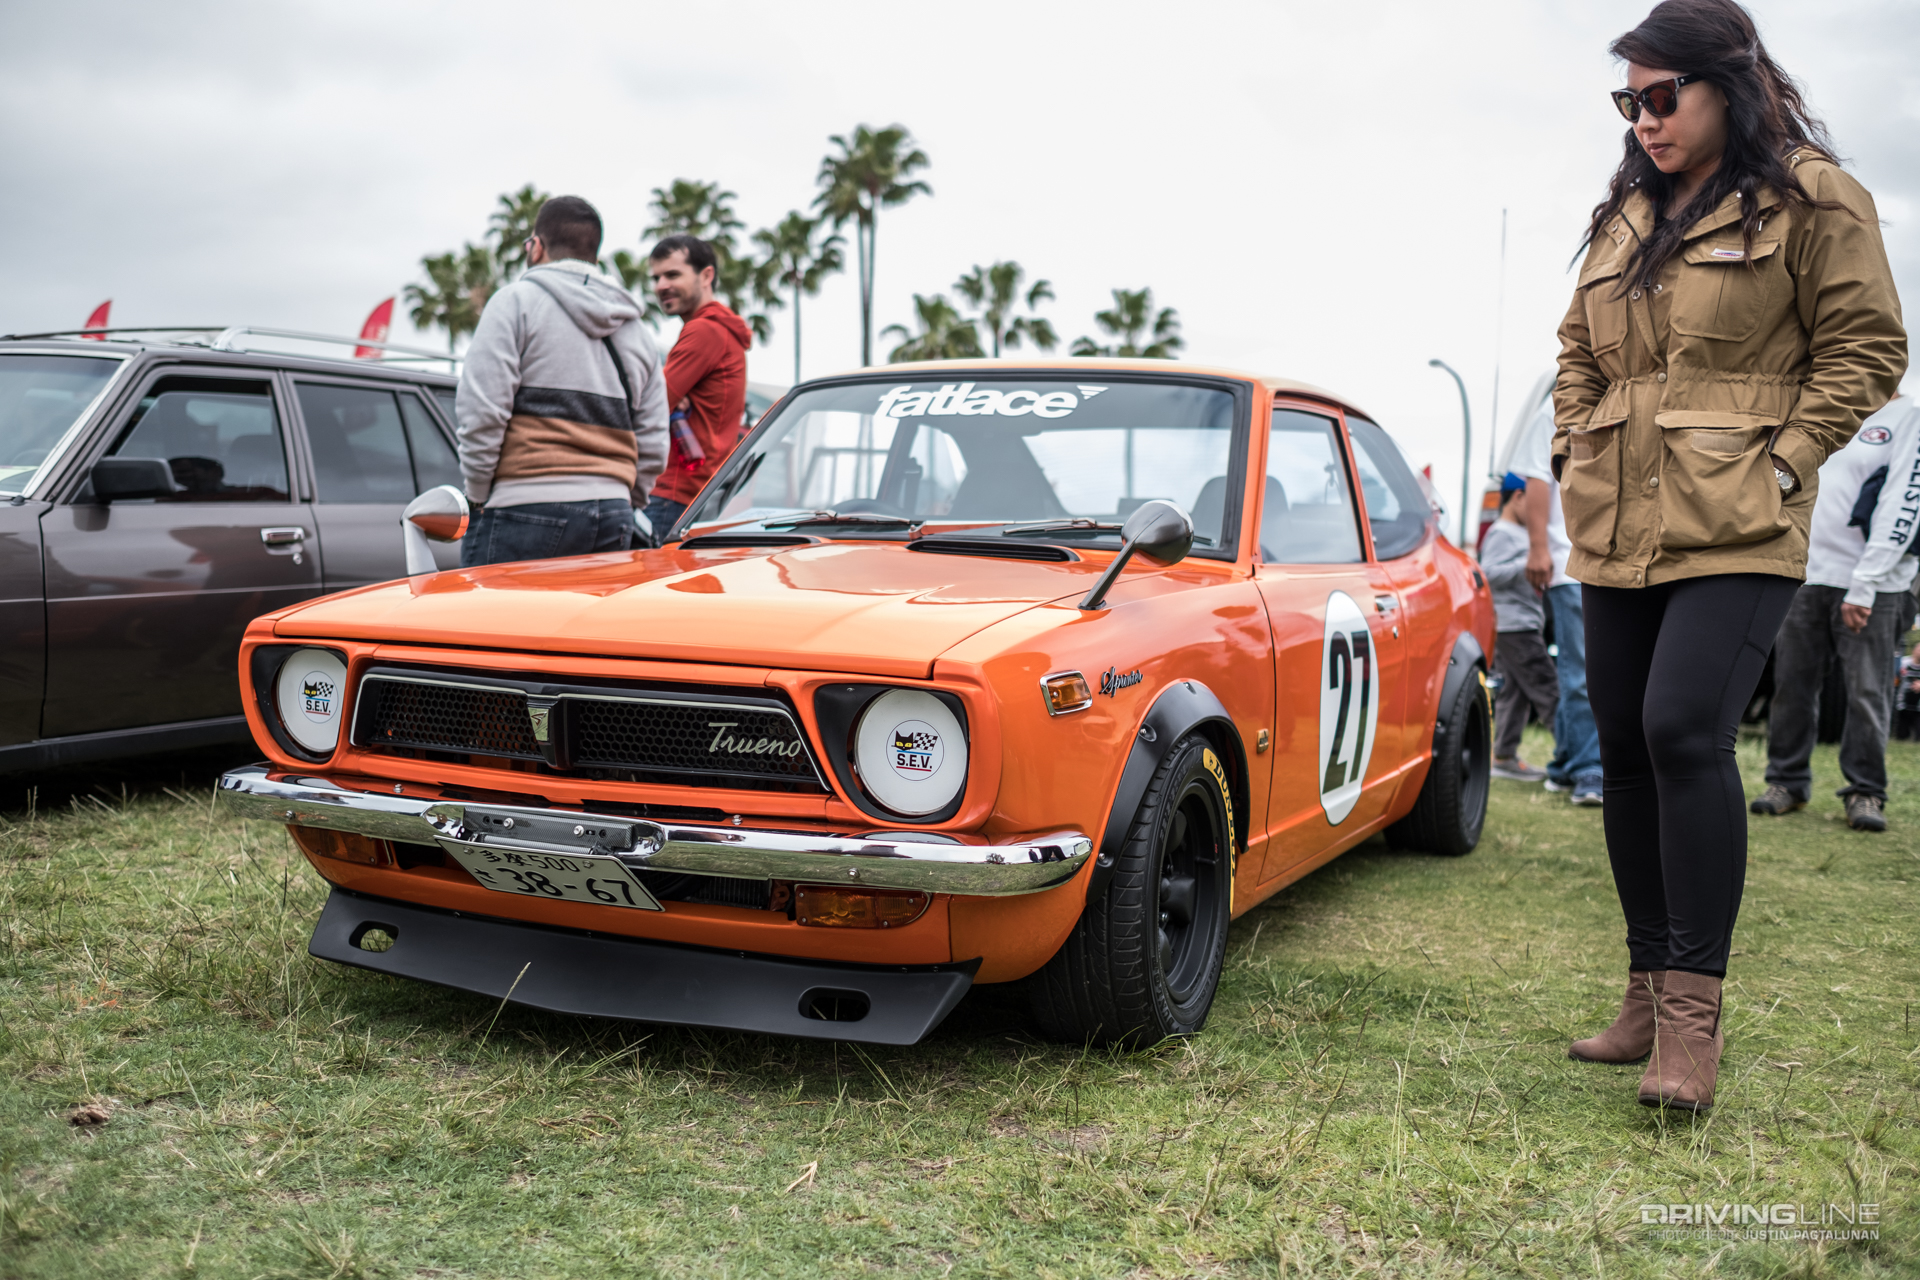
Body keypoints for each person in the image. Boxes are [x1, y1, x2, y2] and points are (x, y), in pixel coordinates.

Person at [1554, 0, 1905, 1114]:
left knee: (1680, 728)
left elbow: (1869, 344)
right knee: (1622, 740)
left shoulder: (1813, 197)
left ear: (1730, 85)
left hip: (1739, 515)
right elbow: (1577, 348)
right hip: (1616, 516)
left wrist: (1791, 462)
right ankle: (1645, 993)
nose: (1644, 119)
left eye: (1663, 96)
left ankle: (1695, 1024)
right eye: (1630, 101)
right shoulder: (1625, 212)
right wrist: (1572, 443)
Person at [456, 196, 668, 566]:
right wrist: (625, 495)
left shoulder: (515, 303)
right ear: (594, 257)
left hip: (523, 506)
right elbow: (653, 438)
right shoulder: (637, 332)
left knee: (498, 624)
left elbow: (483, 411)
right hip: (614, 514)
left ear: (536, 246)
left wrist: (477, 492)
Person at [1751, 396, 1920, 830]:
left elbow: (1906, 501)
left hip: (1874, 584)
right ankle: (1786, 782)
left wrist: (1865, 585)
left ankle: (1866, 791)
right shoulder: (1815, 407)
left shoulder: (1908, 416)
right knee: (1792, 685)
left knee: (1867, 692)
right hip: (1805, 573)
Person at [1513, 395, 1605, 806]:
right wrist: (1538, 549)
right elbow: (1537, 479)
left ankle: (1565, 764)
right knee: (1583, 670)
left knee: (1588, 668)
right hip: (1571, 561)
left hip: (1617, 563)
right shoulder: (1554, 410)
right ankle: (1590, 768)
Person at [639, 234, 752, 545]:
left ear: (706, 275)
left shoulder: (703, 331)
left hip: (671, 497)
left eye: (673, 274)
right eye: (656, 277)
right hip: (697, 497)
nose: (661, 285)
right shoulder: (723, 333)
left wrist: (655, 391)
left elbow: (648, 408)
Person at [1484, 473, 1561, 781]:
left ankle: (1503, 756)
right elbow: (1487, 572)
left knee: (1514, 693)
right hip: (1515, 626)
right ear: (1518, 497)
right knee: (1549, 691)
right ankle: (1576, 758)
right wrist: (1529, 562)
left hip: (1518, 623)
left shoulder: (1518, 532)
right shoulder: (1502, 533)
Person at [1896, 641, 1920, 742]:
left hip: (1918, 707)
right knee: (1901, 735)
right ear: (1914, 650)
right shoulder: (1903, 663)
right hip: (1903, 704)